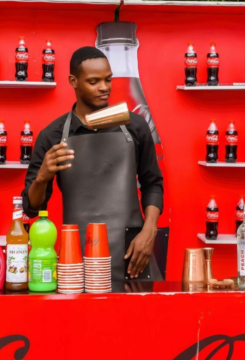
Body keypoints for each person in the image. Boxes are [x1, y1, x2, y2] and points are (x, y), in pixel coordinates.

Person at [22, 46, 164, 281]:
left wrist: (149, 231)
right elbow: (32, 208)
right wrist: (42, 177)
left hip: (133, 256)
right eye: (93, 81)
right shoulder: (52, 136)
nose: (104, 87)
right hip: (76, 257)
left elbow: (152, 184)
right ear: (74, 81)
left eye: (108, 79)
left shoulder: (135, 126)